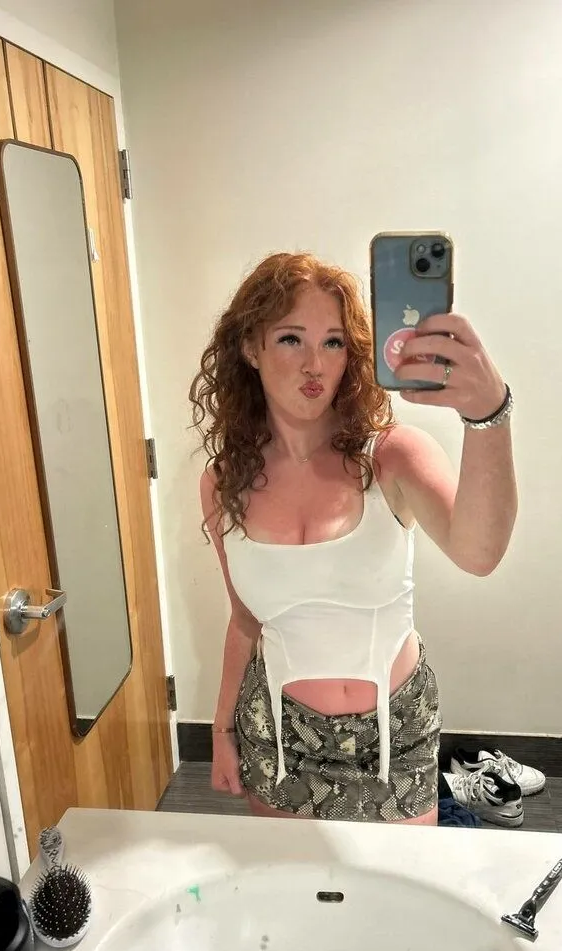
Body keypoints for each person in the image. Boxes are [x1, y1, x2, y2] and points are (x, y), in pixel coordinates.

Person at [189, 251, 516, 825]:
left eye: (334, 342)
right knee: (287, 881)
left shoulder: (391, 456)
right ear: (251, 348)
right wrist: (221, 732)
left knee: (400, 882)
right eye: (291, 339)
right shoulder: (224, 483)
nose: (314, 363)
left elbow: (480, 553)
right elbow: (244, 619)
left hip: (394, 733)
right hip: (280, 734)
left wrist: (488, 414)